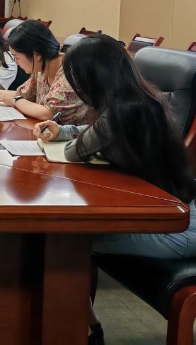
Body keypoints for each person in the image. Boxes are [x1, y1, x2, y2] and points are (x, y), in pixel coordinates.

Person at [33, 34, 196, 344]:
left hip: (178, 231)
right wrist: (62, 130)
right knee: (64, 236)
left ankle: (84, 331)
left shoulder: (125, 111)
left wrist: (65, 137)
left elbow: (74, 152)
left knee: (64, 240)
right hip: (167, 215)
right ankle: (87, 326)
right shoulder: (135, 101)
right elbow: (93, 132)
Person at [0, 20, 89, 124]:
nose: (16, 63)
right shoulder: (41, 67)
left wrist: (15, 101)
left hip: (75, 139)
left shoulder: (70, 72)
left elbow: (47, 113)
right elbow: (22, 94)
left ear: (36, 54)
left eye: (17, 57)